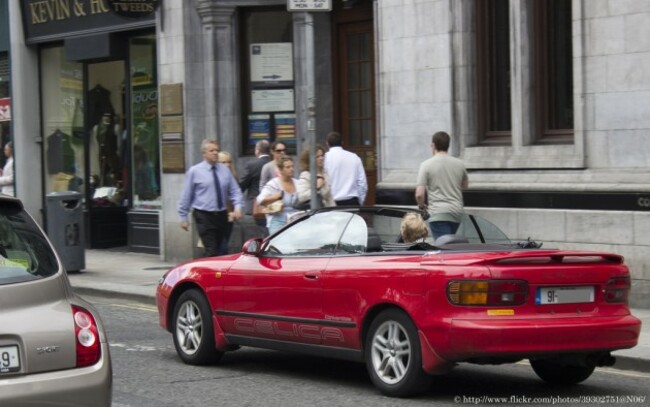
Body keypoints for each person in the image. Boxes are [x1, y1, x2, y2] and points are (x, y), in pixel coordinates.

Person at [178, 139, 244, 257]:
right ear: (204, 153)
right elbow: (186, 195)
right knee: (211, 250)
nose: (215, 153)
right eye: (211, 150)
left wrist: (238, 207)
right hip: (204, 215)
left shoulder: (224, 170)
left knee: (220, 249)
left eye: (216, 150)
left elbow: (235, 191)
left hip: (221, 215)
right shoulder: (195, 171)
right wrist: (183, 216)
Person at [415, 131, 468, 239]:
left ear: (433, 145)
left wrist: (422, 207)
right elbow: (465, 186)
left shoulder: (426, 165)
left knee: (443, 247)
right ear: (448, 145)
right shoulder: (460, 164)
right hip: (456, 212)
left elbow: (419, 194)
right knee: (450, 244)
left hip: (438, 213)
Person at [257, 157, 299, 234]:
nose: (291, 169)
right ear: (281, 170)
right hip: (278, 221)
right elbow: (260, 200)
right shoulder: (274, 184)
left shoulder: (298, 183)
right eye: (288, 167)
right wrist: (275, 197)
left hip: (296, 222)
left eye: (292, 166)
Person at [324, 131, 367, 206]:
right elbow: (362, 183)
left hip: (331, 203)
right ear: (342, 142)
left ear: (327, 144)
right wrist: (360, 200)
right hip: (351, 201)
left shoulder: (324, 159)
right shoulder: (354, 157)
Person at [239, 139, 271, 223]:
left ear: (257, 150)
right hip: (272, 206)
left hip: (255, 207)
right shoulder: (274, 163)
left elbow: (242, 185)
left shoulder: (252, 165)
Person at [296, 145, 335, 209]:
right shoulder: (306, 175)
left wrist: (335, 212)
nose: (321, 158)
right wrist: (317, 188)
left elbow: (329, 197)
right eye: (317, 156)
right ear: (309, 159)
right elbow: (302, 196)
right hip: (315, 213)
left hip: (328, 212)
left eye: (322, 155)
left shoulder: (325, 173)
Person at [218, 151, 238, 254]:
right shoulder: (215, 178)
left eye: (229, 162)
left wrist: (235, 210)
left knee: (224, 243)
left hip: (229, 216)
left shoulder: (232, 177)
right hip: (217, 216)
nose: (227, 165)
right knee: (222, 246)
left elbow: (235, 196)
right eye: (223, 162)